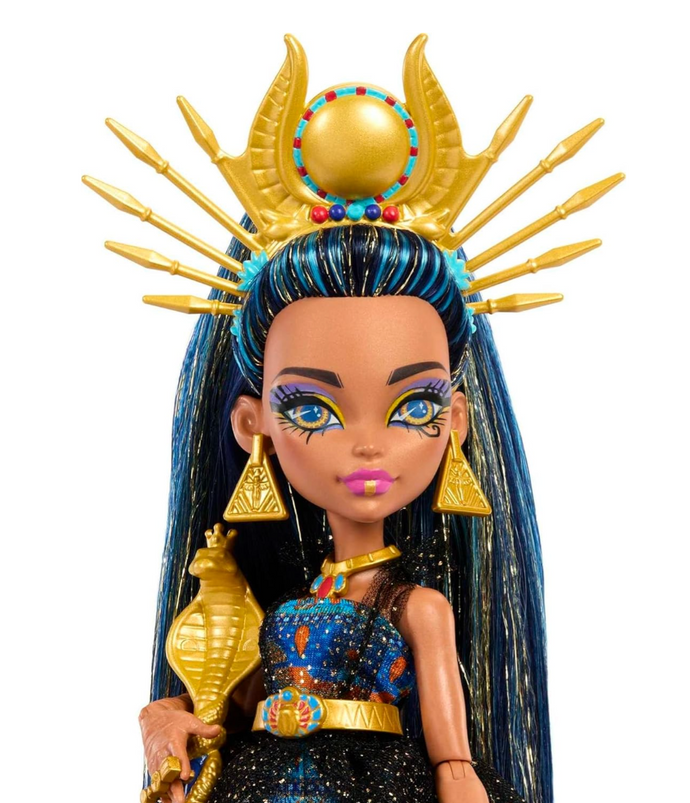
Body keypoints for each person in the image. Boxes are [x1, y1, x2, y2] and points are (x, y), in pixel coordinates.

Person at [85, 33, 621, 803]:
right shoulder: (280, 605)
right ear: (253, 426)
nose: (368, 444)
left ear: (456, 422)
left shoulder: (419, 607)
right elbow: (227, 707)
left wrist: (458, 775)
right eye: (312, 407)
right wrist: (162, 718)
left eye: (414, 406)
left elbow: (453, 755)